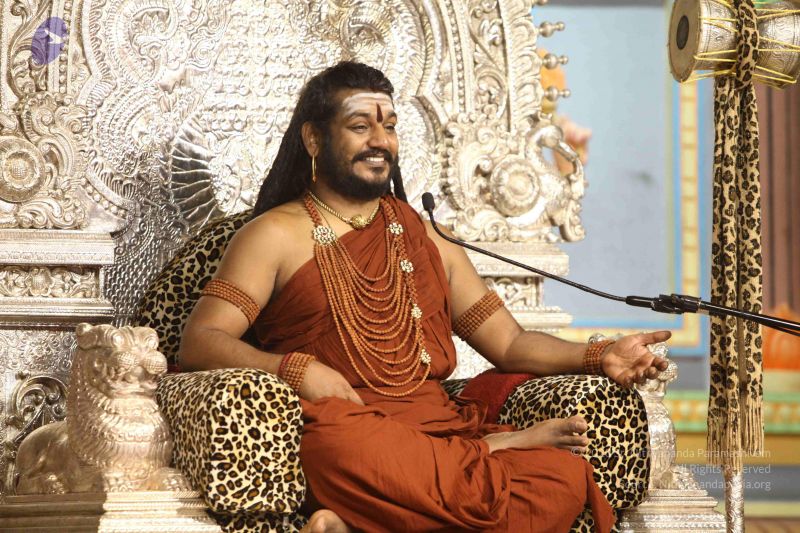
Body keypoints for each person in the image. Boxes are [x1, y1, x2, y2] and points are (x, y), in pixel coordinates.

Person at [180, 61, 670, 533]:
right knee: (337, 444)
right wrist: (295, 370)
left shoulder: (427, 237)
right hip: (358, 433)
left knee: (560, 476)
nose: (380, 140)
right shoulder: (273, 235)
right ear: (313, 138)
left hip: (436, 430)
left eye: (390, 126)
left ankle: (358, 523)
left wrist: (600, 355)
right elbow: (200, 340)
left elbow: (509, 344)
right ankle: (489, 453)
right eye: (360, 126)